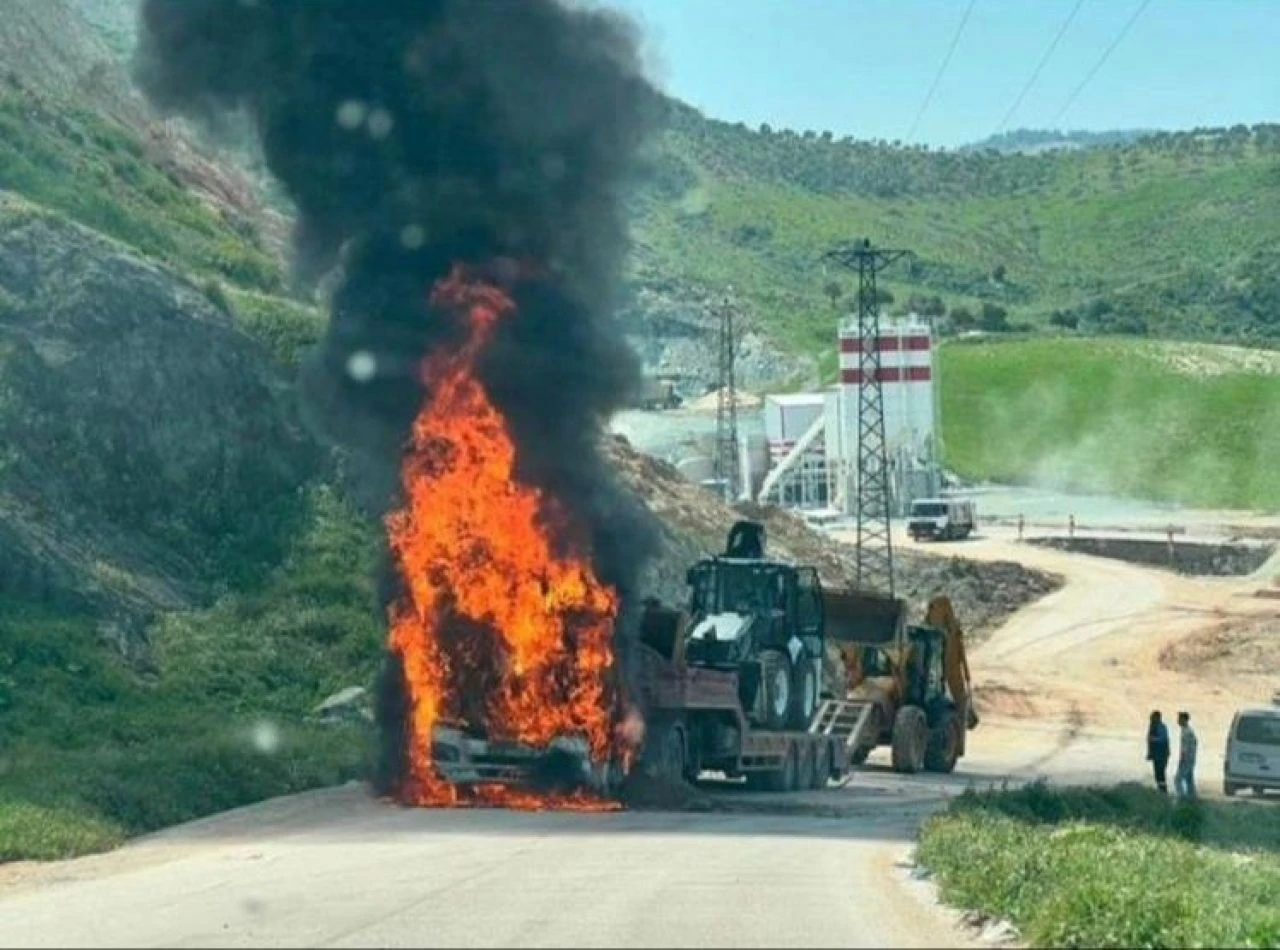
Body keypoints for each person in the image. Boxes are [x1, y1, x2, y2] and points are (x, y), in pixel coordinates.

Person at [1175, 710, 1198, 800]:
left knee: (1178, 779)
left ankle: (1181, 797)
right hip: (1190, 759)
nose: (1178, 720)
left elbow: (1186, 748)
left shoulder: (1187, 732)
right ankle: (1192, 797)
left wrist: (1183, 759)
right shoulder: (1187, 731)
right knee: (1189, 779)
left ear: (1184, 719)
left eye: (1179, 718)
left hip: (1187, 759)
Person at [1145, 710, 1170, 793]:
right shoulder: (1152, 726)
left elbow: (1163, 739)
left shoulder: (1161, 727)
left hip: (1162, 754)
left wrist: (1153, 739)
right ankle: (1161, 790)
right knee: (1157, 774)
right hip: (1156, 754)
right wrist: (1149, 753)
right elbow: (1149, 741)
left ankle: (1163, 791)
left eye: (1152, 717)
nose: (1151, 719)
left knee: (1160, 773)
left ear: (1158, 718)